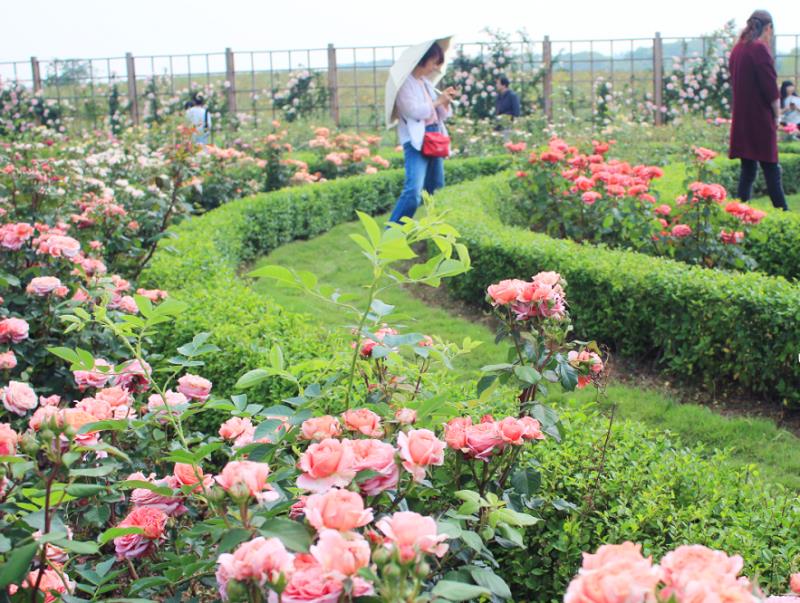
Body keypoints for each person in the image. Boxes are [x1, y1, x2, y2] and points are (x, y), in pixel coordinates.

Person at [387, 42, 457, 225]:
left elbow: (442, 115)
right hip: (417, 140)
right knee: (413, 192)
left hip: (434, 137)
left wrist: (445, 101)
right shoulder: (404, 85)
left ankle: (435, 230)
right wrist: (437, 102)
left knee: (436, 187)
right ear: (422, 60)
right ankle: (392, 234)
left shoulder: (426, 84)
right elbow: (413, 111)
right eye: (434, 62)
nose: (435, 67)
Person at [729, 10, 788, 210]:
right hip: (760, 119)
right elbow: (771, 88)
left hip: (742, 118)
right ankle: (785, 214)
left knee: (748, 170)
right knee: (771, 169)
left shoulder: (738, 49)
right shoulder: (759, 48)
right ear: (768, 27)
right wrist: (778, 115)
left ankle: (739, 213)